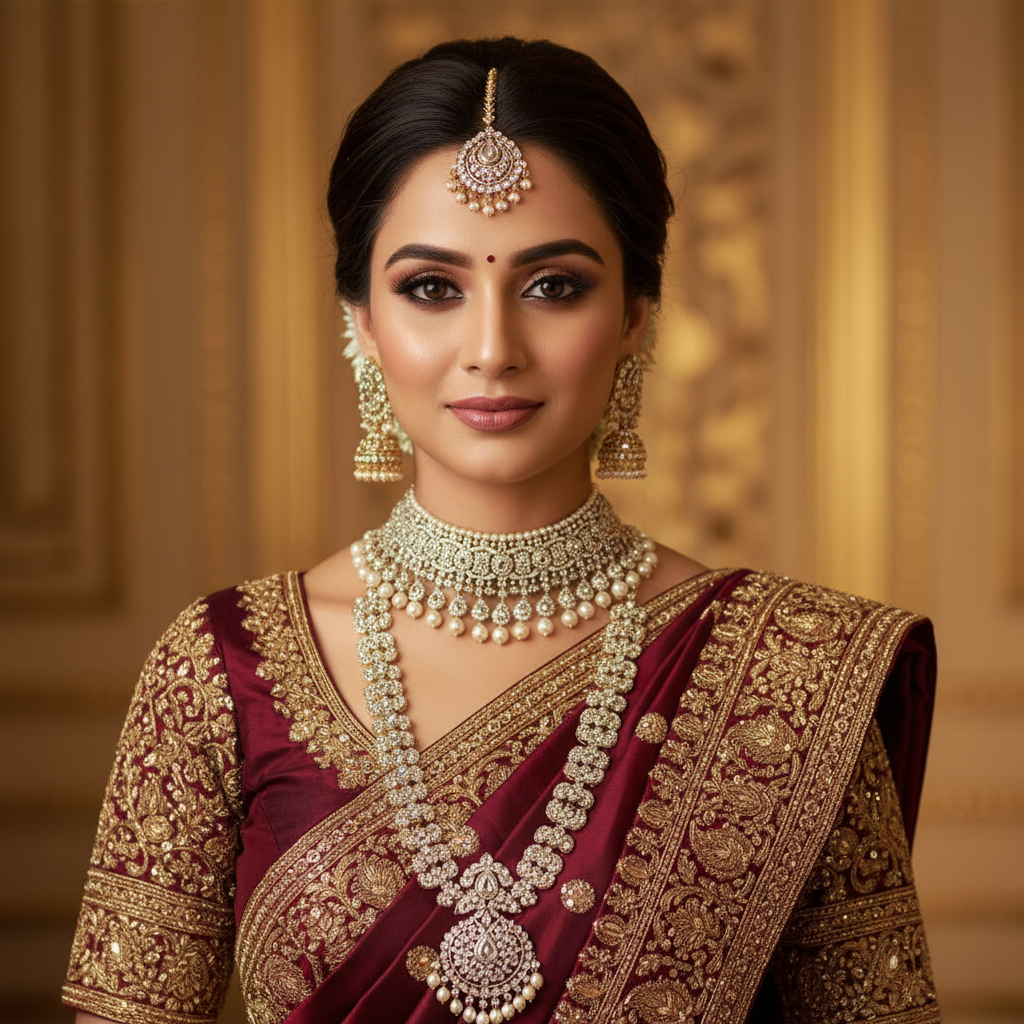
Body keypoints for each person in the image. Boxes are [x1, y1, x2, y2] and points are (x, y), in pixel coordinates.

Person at [63, 37, 940, 1024]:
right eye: (431, 288)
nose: (492, 349)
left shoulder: (789, 675)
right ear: (358, 319)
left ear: (635, 315)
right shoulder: (220, 668)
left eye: (553, 285)